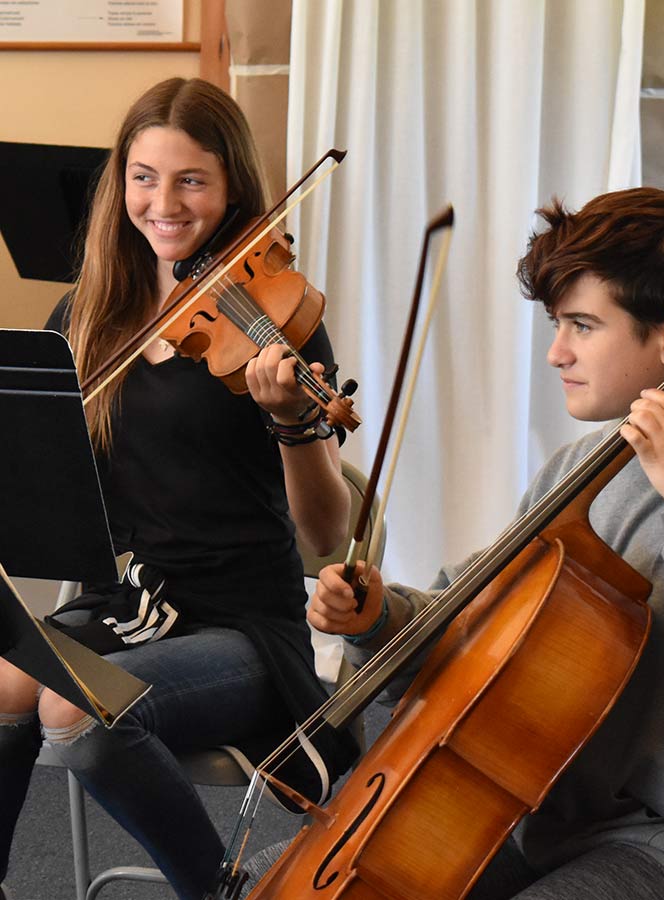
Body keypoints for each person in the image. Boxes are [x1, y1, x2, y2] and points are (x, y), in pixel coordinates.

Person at [307, 188, 664, 900]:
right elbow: (476, 616)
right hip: (540, 819)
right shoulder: (581, 469)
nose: (557, 352)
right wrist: (380, 617)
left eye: (583, 326)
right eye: (558, 324)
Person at [0, 78, 358, 900]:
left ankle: (222, 891)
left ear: (232, 186)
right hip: (137, 605)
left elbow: (326, 533)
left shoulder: (274, 323)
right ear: (119, 181)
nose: (163, 203)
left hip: (247, 625)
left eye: (191, 179)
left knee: (74, 711)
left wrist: (295, 425)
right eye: (143, 176)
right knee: (7, 679)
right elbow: (61, 490)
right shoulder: (87, 317)